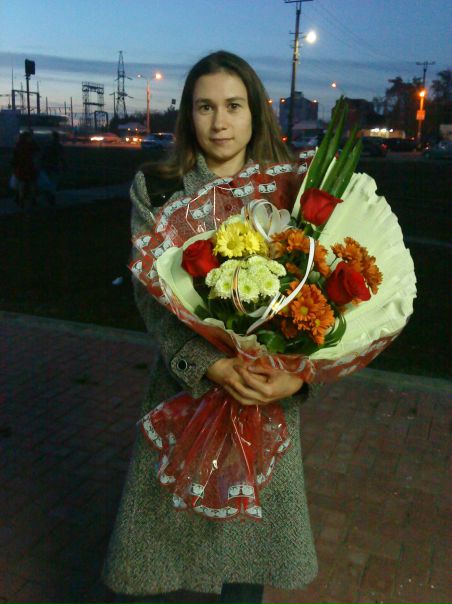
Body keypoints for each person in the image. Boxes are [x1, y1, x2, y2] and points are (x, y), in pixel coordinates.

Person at [102, 51, 318, 604]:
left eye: (233, 106)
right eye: (205, 107)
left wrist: (297, 375)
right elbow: (150, 296)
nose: (220, 122)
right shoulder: (159, 187)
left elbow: (318, 296)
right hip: (185, 392)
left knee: (246, 554)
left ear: (255, 112)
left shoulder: (291, 191)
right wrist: (209, 364)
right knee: (160, 546)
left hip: (264, 398)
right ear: (188, 114)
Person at [12, 130, 40, 210]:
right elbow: (37, 151)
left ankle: (21, 201)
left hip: (21, 168)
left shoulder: (18, 145)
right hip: (30, 167)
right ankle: (33, 200)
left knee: (22, 184)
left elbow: (14, 158)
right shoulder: (31, 145)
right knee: (31, 184)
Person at [40, 130, 66, 205]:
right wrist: (64, 165)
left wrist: (41, 164)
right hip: (55, 165)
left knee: (47, 181)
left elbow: (43, 156)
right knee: (53, 181)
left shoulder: (47, 145)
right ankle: (51, 195)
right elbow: (62, 157)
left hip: (46, 165)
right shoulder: (59, 146)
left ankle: (48, 194)